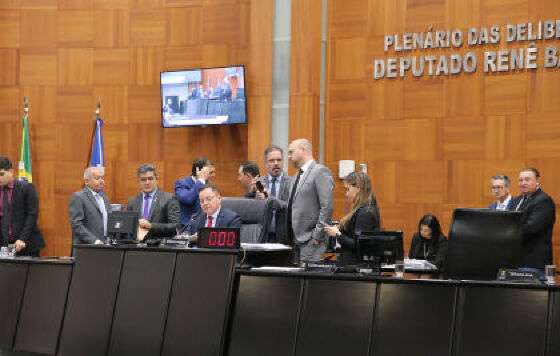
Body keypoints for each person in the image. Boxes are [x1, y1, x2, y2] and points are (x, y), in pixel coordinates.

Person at [286, 138, 334, 262]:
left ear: (303, 150)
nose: (289, 156)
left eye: (291, 152)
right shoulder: (296, 176)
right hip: (294, 240)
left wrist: (317, 236)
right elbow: (293, 205)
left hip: (311, 240)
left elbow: (327, 207)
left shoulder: (320, 171)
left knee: (308, 279)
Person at [324, 172, 381, 265]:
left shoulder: (365, 212)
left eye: (348, 189)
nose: (346, 194)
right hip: (353, 265)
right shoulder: (365, 208)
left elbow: (358, 245)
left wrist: (337, 234)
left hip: (356, 268)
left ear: (358, 188)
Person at [0, 156, 45, 256]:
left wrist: (22, 239)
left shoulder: (26, 188)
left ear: (11, 171)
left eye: (1, 174)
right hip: (5, 247)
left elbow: (32, 215)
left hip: (27, 244)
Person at [515, 168, 556, 269]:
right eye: (520, 180)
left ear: (537, 181)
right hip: (517, 260)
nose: (523, 183)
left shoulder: (544, 201)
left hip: (533, 262)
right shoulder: (518, 200)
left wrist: (505, 233)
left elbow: (530, 228)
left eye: (527, 179)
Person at [127, 164, 180, 240]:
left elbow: (175, 226)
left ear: (156, 179)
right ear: (138, 181)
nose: (147, 182)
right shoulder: (132, 201)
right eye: (143, 179)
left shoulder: (169, 198)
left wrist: (151, 226)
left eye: (150, 178)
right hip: (137, 247)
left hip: (160, 247)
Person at [256, 145, 293, 243]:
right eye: (272, 160)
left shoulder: (292, 182)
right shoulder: (259, 183)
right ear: (265, 163)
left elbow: (292, 207)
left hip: (285, 236)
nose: (276, 163)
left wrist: (270, 198)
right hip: (263, 235)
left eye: (279, 160)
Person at [69, 166, 111, 245]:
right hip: (86, 247)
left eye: (102, 178)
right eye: (97, 178)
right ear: (86, 181)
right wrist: (94, 241)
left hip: (105, 246)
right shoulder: (79, 197)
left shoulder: (105, 198)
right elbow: (76, 224)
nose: (102, 181)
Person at [175, 157, 216, 225]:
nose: (214, 175)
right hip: (187, 227)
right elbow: (188, 199)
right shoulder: (181, 183)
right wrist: (200, 181)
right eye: (211, 172)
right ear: (198, 171)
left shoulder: (211, 185)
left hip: (207, 225)